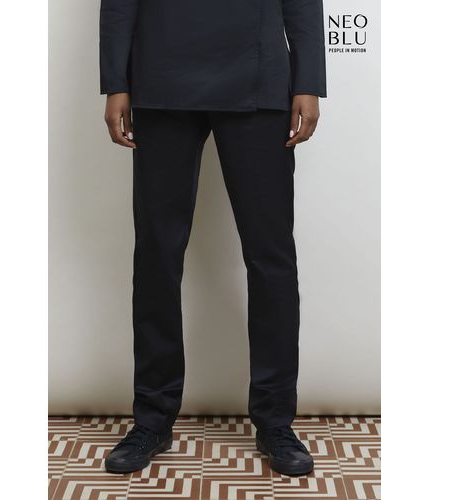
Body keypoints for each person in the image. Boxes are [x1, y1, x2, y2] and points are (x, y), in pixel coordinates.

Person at [100, 0, 326, 477]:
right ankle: (152, 418)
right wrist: (116, 82)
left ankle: (275, 420)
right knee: (157, 256)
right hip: (160, 78)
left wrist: (307, 81)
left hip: (260, 76)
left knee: (271, 257)